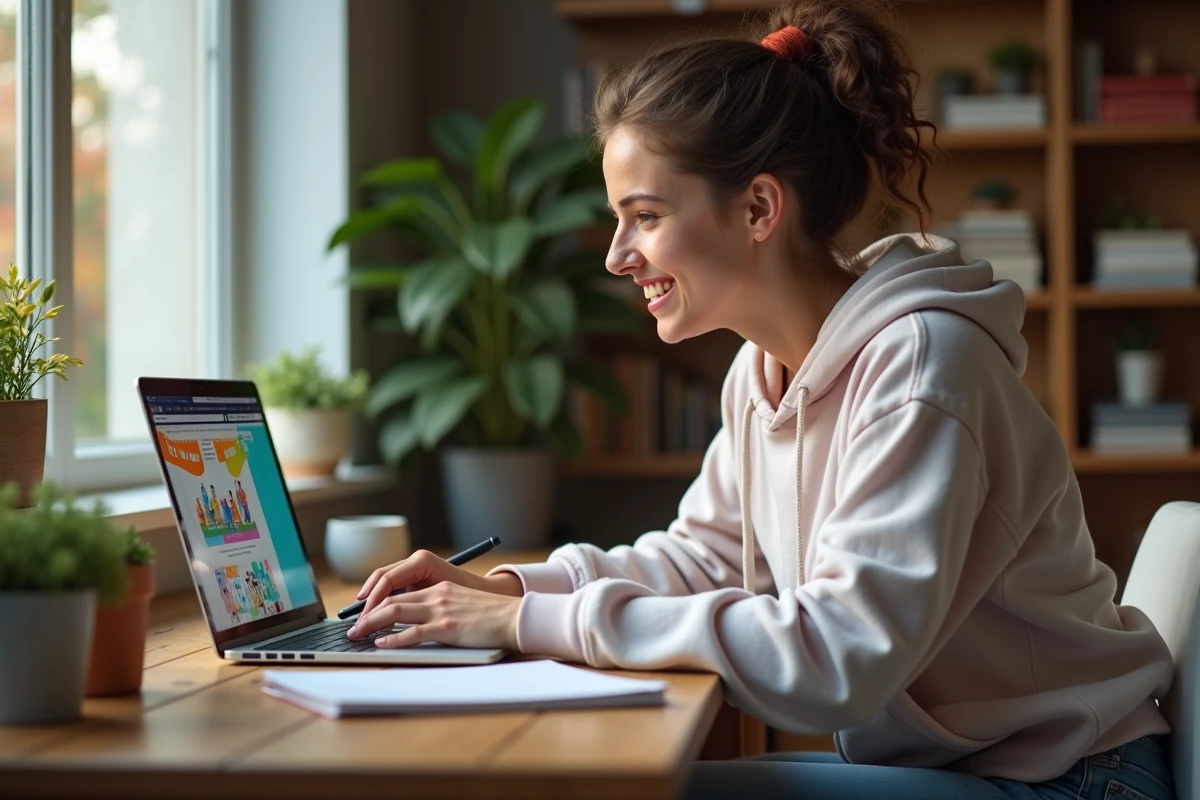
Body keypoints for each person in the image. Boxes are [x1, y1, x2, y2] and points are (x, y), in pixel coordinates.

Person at [346, 2, 1176, 797]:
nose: (615, 256)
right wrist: (510, 593)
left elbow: (836, 659)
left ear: (757, 208)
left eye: (644, 216)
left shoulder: (922, 367)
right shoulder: (761, 374)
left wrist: (526, 629)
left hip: (1073, 780)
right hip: (967, 771)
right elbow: (698, 559)